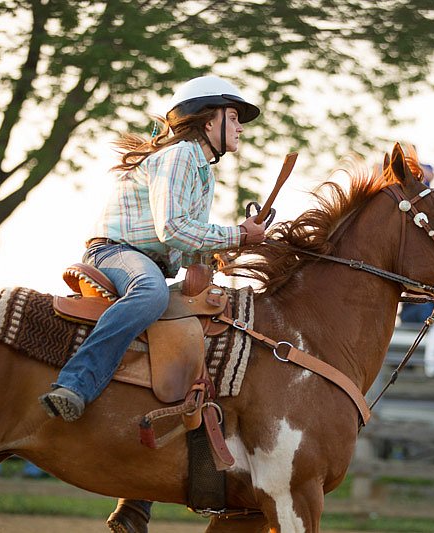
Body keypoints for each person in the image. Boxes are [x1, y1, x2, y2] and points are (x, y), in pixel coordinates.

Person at [39, 76, 266, 422]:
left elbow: (184, 245)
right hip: (116, 253)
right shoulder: (181, 156)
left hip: (146, 257)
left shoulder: (202, 170)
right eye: (233, 117)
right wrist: (237, 234)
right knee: (150, 293)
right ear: (208, 121)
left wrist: (229, 248)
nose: (240, 128)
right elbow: (173, 229)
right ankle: (75, 384)